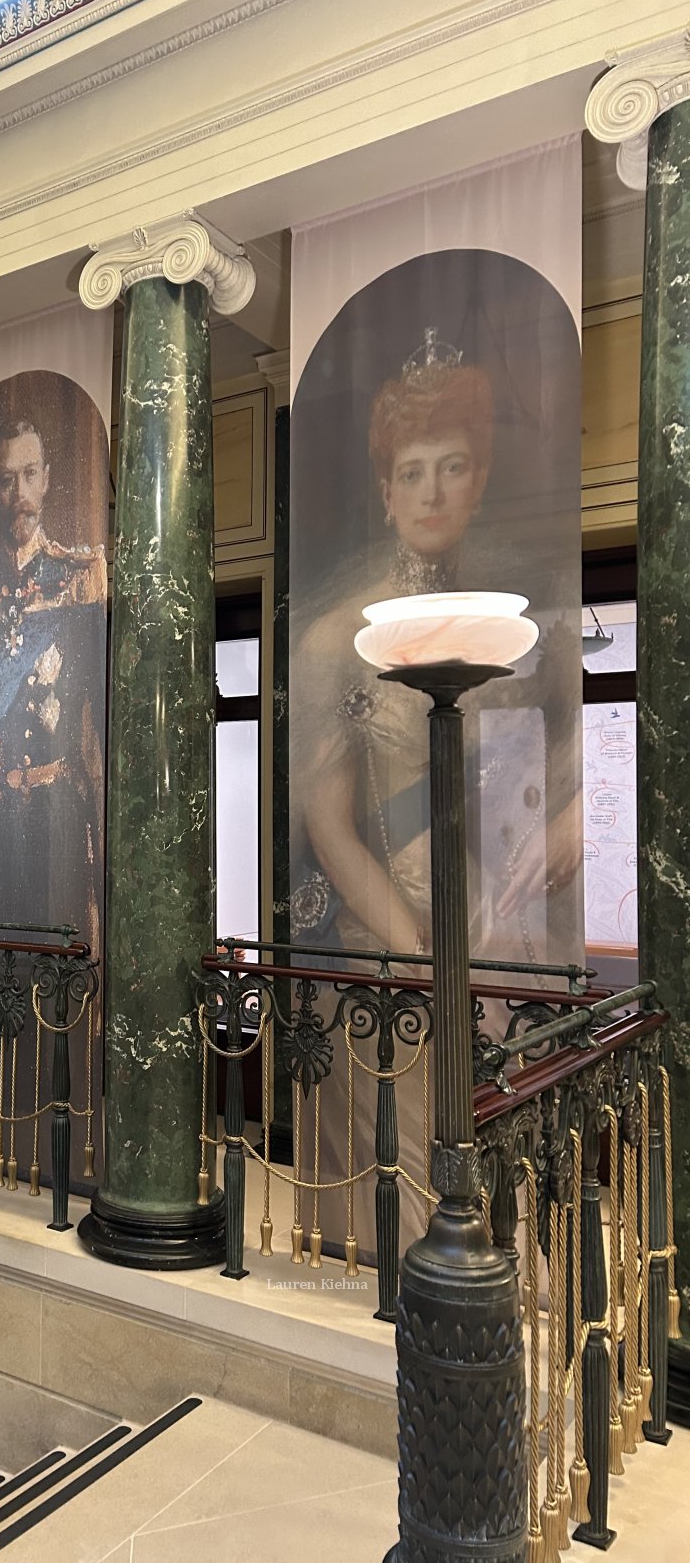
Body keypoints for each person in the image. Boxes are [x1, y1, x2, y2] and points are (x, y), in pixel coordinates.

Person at [286, 330, 581, 1254]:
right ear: (385, 489)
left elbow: (571, 764)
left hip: (505, 938)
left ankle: (515, 1306)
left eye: (453, 467)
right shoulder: (340, 638)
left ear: (480, 477)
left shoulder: (516, 628)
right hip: (392, 945)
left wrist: (570, 822)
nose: (433, 491)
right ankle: (425, 1328)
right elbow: (328, 822)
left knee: (506, 1142)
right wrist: (415, 945)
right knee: (414, 1169)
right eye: (413, 471)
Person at [0, 418, 106, 950]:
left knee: (56, 979)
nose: (20, 494)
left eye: (30, 475)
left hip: (56, 821)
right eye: (7, 480)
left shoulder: (79, 580)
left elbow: (97, 728)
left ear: (48, 479)